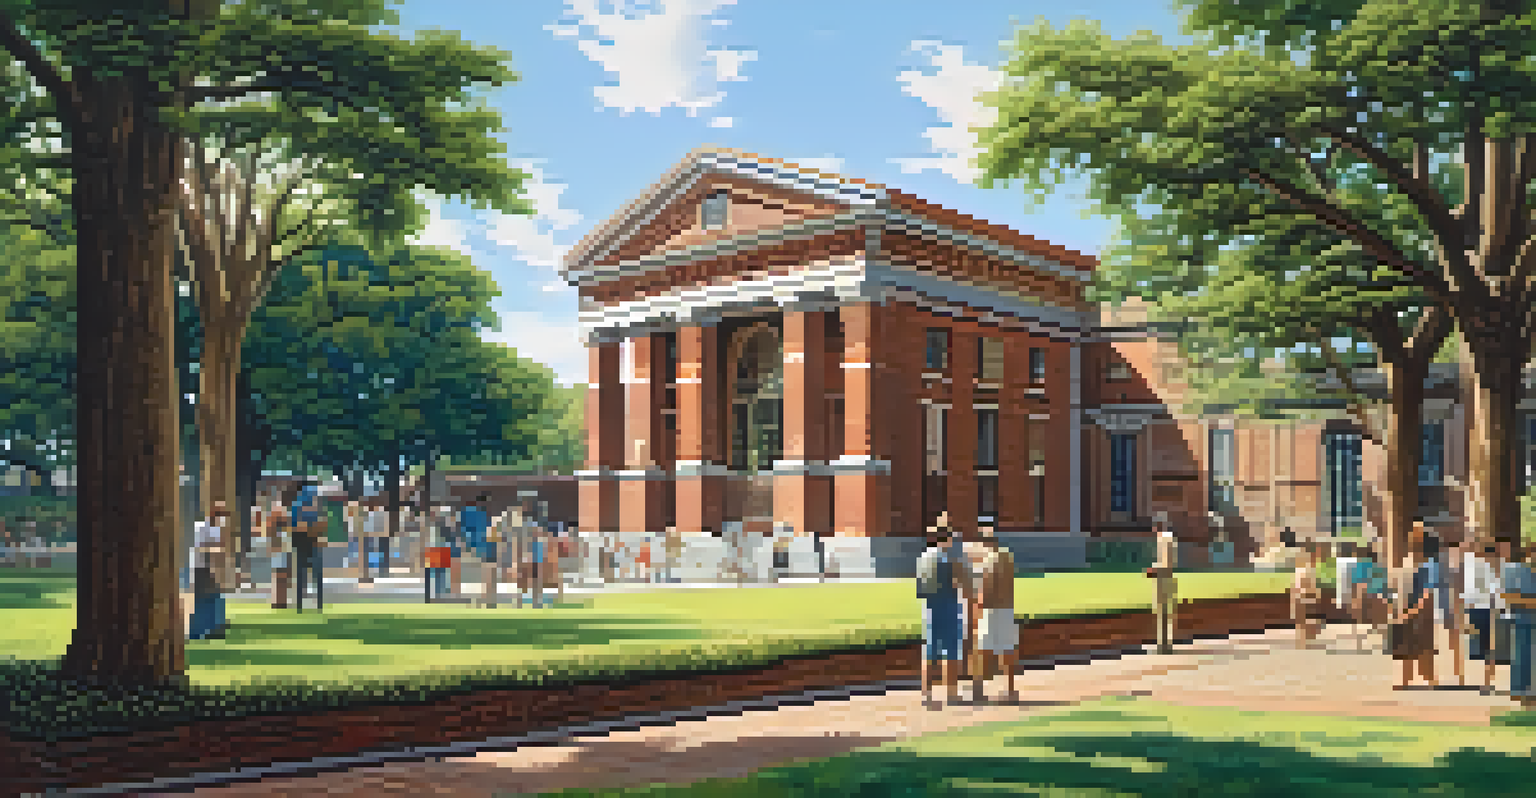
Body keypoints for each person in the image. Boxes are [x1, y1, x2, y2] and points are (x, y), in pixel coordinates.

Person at [915, 512, 973, 708]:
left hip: (929, 608)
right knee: (951, 653)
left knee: (929, 652)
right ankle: (951, 693)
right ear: (948, 537)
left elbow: (920, 587)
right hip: (948, 606)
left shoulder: (923, 558)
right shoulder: (950, 559)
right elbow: (964, 584)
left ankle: (926, 694)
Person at [970, 525, 1019, 703]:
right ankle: (1011, 688)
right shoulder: (1008, 557)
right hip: (1007, 607)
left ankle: (978, 687)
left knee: (983, 648)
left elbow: (987, 587)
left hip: (992, 609)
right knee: (1007, 648)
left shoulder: (990, 560)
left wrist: (977, 604)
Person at [1391, 526, 1438, 690]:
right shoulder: (1408, 562)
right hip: (1406, 608)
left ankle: (1430, 680)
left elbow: (1428, 594)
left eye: (1415, 538)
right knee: (1405, 646)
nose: (1411, 540)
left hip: (1422, 612)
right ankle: (1406, 680)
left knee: (1424, 646)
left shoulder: (1429, 566)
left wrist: (1413, 611)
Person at [1463, 536, 1503, 694]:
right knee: (1485, 649)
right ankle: (1486, 682)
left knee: (1487, 649)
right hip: (1481, 610)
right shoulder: (1474, 566)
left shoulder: (1480, 567)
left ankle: (1486, 682)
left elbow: (1495, 592)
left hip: (1485, 610)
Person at [188, 501, 231, 640]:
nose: (221, 517)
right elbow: (201, 548)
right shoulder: (201, 527)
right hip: (201, 567)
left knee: (214, 598)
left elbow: (222, 548)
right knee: (202, 600)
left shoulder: (218, 529)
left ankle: (214, 629)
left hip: (214, 568)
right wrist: (217, 549)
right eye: (219, 513)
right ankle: (197, 632)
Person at [1501, 540, 1536, 708]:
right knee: (1521, 657)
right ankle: (1520, 693)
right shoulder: (1516, 572)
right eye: (1533, 551)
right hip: (1522, 621)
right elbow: (1508, 597)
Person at [292, 484, 326, 612]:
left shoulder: (299, 507)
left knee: (305, 576)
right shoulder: (302, 508)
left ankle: (309, 605)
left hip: (307, 544)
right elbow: (296, 527)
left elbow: (295, 527)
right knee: (309, 576)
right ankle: (313, 605)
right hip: (309, 544)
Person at [1291, 543, 1323, 647]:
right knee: (1301, 619)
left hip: (1304, 595)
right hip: (1302, 595)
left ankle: (1304, 637)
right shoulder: (1302, 570)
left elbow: (1310, 585)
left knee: (1303, 619)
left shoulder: (1306, 570)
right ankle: (1303, 638)